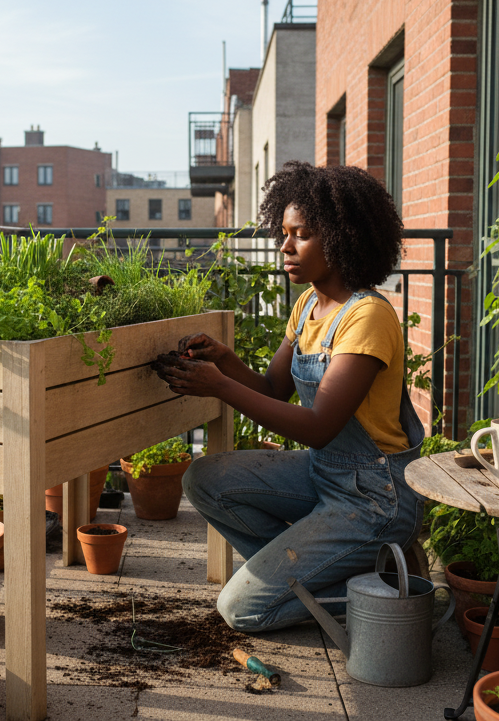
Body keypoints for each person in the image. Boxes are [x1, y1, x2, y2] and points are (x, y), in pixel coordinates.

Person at [154, 160, 424, 633]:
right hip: (325, 477)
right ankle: (309, 571)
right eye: (284, 232)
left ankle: (379, 591)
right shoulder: (307, 307)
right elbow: (271, 389)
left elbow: (320, 426)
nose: (285, 246)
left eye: (300, 234)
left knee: (241, 609)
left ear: (341, 238)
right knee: (204, 478)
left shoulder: (367, 317)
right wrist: (224, 361)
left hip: (374, 498)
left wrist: (218, 385)